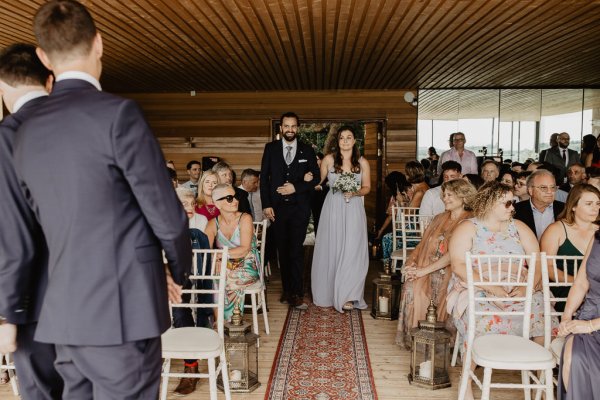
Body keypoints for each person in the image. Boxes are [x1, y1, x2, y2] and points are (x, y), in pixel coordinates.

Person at [13, 2, 192, 397]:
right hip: (123, 314)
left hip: (63, 317)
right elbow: (166, 215)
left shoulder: (25, 132)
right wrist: (178, 272)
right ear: (99, 43)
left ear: (44, 56)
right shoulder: (118, 115)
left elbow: (32, 230)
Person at [447, 181, 555, 400]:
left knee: (540, 310)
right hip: (478, 284)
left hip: (518, 286)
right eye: (506, 203)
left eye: (513, 202)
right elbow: (458, 265)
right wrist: (491, 287)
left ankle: (539, 375)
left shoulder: (519, 227)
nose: (512, 207)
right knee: (480, 313)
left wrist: (529, 288)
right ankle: (466, 379)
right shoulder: (468, 228)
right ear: (489, 202)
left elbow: (536, 262)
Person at [0, 43, 64, 399]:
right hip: (94, 297)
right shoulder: (82, 126)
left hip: (36, 300)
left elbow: (13, 235)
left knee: (41, 393)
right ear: (50, 81)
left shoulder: (8, 137)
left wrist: (8, 314)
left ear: (2, 87)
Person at [395, 179, 475, 349]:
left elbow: (452, 255)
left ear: (464, 197)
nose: (445, 198)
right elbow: (422, 244)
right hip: (427, 267)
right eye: (444, 195)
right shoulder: (438, 218)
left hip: (452, 270)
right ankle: (417, 339)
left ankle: (441, 343)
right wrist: (410, 264)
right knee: (410, 286)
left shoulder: (470, 221)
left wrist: (422, 271)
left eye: (450, 195)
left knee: (437, 285)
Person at [260, 112, 319, 309]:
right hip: (276, 208)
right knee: (282, 251)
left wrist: (297, 186)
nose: (290, 130)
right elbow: (264, 179)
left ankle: (297, 293)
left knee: (295, 250)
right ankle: (287, 290)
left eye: (293, 126)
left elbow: (317, 177)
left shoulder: (307, 151)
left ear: (298, 128)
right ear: (281, 128)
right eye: (286, 126)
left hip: (299, 209)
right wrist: (266, 204)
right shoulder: (271, 149)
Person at [311, 126, 371, 313]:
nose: (345, 141)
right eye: (342, 138)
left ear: (354, 141)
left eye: (349, 137)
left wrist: (355, 192)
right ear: (338, 141)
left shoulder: (362, 162)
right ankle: (329, 292)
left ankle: (349, 295)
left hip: (353, 208)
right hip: (333, 207)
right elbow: (319, 183)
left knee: (352, 249)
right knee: (333, 247)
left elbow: (367, 187)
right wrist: (312, 181)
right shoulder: (328, 160)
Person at [171, 187, 210, 396]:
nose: (190, 208)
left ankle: (190, 364)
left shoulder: (201, 222)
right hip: (166, 276)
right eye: (184, 204)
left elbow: (207, 254)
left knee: (178, 304)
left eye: (192, 203)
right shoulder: (164, 223)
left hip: (193, 275)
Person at [540, 184, 600, 313]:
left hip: (595, 291)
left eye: (598, 203)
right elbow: (547, 267)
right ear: (573, 206)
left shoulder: (598, 231)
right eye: (589, 204)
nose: (595, 208)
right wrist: (579, 283)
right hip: (564, 289)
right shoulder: (556, 230)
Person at [204, 184, 260, 321]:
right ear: (217, 203)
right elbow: (205, 250)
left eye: (235, 197)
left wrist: (220, 256)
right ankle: (220, 322)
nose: (235, 201)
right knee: (214, 277)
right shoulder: (212, 224)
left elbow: (244, 249)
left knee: (222, 277)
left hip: (247, 264)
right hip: (224, 266)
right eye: (229, 198)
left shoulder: (245, 218)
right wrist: (218, 259)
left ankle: (227, 322)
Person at [557, 230, 600, 400]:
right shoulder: (597, 238)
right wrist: (567, 317)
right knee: (574, 358)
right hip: (589, 313)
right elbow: (582, 282)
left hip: (592, 324)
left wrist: (590, 326)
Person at [380, 161, 429, 265]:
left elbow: (406, 216)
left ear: (411, 175)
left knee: (387, 238)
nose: (405, 175)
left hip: (418, 232)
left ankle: (388, 268)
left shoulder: (420, 191)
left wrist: (401, 201)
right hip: (419, 227)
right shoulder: (423, 187)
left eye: (406, 173)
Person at [513, 169, 565, 240]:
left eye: (553, 187)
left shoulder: (565, 209)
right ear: (530, 190)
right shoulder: (515, 210)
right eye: (543, 187)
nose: (550, 192)